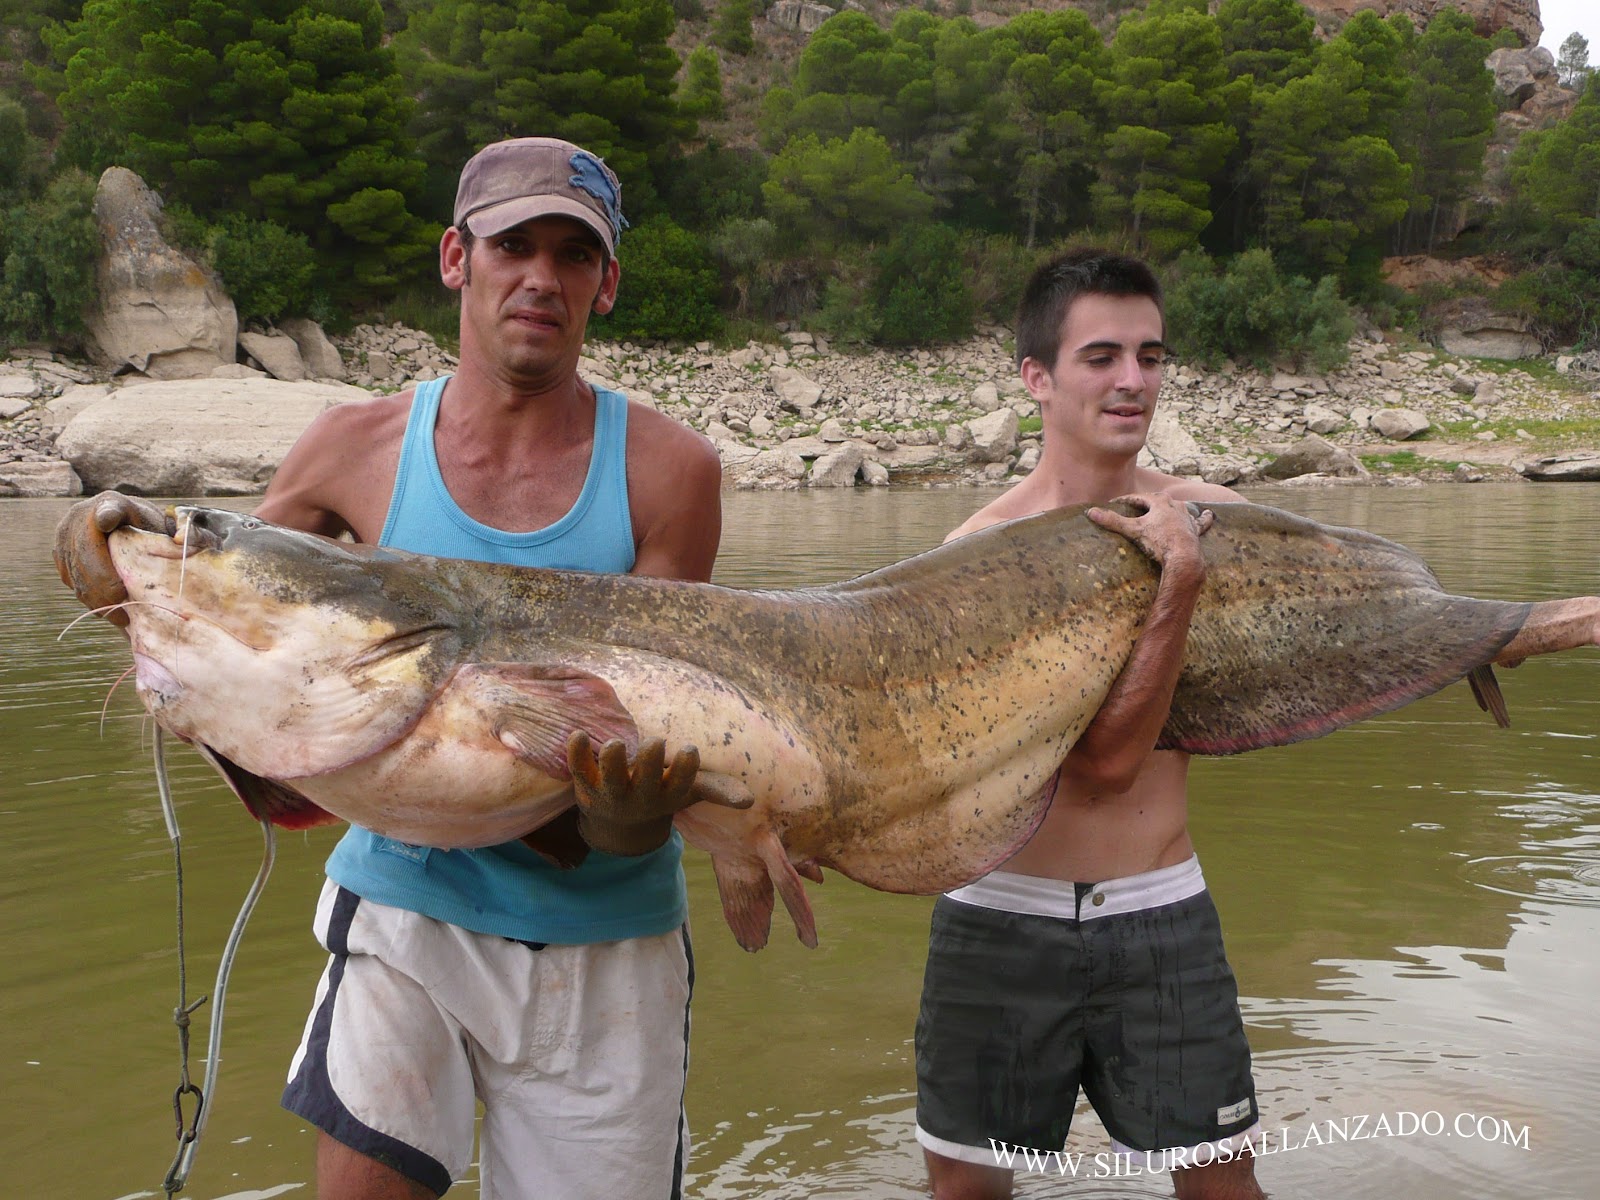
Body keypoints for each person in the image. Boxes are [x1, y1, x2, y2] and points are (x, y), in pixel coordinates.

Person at [55, 136, 724, 1199]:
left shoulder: (669, 470)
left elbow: (664, 704)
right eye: (513, 245)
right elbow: (238, 632)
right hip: (405, 908)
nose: (540, 278)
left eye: (572, 255)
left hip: (609, 938)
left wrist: (630, 814)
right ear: (457, 259)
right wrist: (130, 597)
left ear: (607, 284)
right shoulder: (348, 449)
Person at [912, 249, 1266, 1200]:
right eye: (1102, 355)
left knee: (1224, 1188)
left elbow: (1358, 630)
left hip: (1161, 912)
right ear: (1036, 376)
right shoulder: (977, 557)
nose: (1133, 381)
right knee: (967, 1192)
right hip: (999, 920)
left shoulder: (1217, 519)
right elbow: (1096, 769)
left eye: (1151, 356)